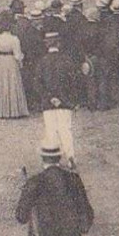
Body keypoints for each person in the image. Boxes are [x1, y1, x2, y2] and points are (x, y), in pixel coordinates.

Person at [15, 145, 94, 236]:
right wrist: (79, 229)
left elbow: (21, 217)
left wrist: (25, 192)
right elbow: (86, 215)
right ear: (59, 157)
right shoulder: (73, 179)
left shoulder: (34, 182)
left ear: (42, 159)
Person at [34, 30, 86, 164]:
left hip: (48, 102)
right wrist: (68, 100)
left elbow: (38, 84)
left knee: (51, 130)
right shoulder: (67, 61)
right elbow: (74, 82)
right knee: (66, 129)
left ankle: (53, 160)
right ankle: (70, 157)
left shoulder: (42, 62)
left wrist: (50, 97)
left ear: (47, 45)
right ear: (59, 43)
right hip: (65, 102)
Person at [0, 13, 29, 119]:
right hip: (11, 61)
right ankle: (13, 110)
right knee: (12, 83)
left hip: (0, 62)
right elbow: (17, 55)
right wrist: (21, 60)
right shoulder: (14, 39)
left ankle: (0, 109)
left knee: (1, 84)